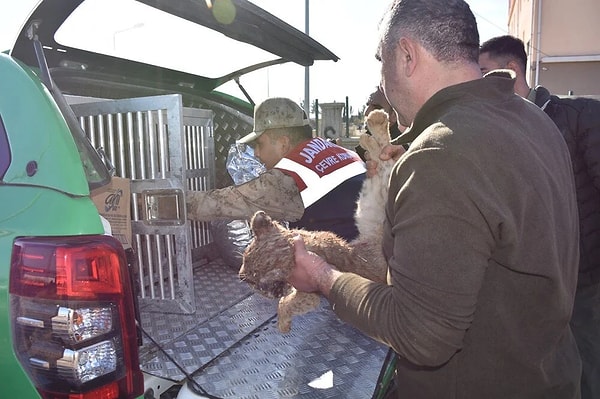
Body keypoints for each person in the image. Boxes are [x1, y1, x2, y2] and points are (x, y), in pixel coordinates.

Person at [288, 0, 581, 398]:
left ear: (407, 55)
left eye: (382, 62)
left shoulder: (441, 153)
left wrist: (323, 278)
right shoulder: (533, 119)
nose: (381, 84)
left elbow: (420, 334)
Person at [480, 34, 600, 399]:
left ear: (510, 70)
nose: (477, 84)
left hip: (585, 284)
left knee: (590, 372)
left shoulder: (579, 116)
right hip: (540, 289)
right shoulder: (500, 131)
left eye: (484, 73)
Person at [186, 97, 367, 241]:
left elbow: (219, 204)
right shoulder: (340, 151)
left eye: (259, 144)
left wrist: (169, 201)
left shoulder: (289, 177)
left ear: (283, 144)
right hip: (375, 251)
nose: (256, 153)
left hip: (347, 270)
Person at [356, 86, 406, 161]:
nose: (367, 112)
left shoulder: (401, 152)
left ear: (394, 115)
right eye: (367, 105)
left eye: (376, 107)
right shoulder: (367, 142)